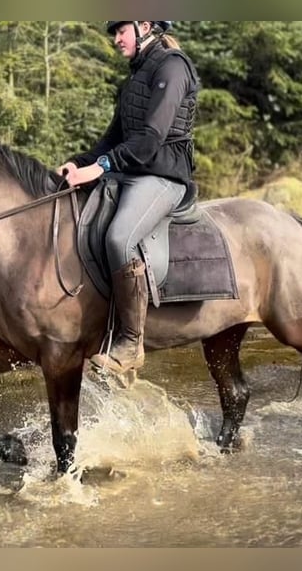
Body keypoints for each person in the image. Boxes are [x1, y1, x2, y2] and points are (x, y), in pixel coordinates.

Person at [60, 21, 200, 376]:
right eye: (114, 33)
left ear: (146, 26)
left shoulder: (172, 66)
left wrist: (102, 167)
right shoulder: (136, 76)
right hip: (133, 172)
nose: (116, 39)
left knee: (120, 238)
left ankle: (130, 342)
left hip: (164, 175)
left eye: (121, 30)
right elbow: (113, 138)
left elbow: (150, 139)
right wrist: (79, 164)